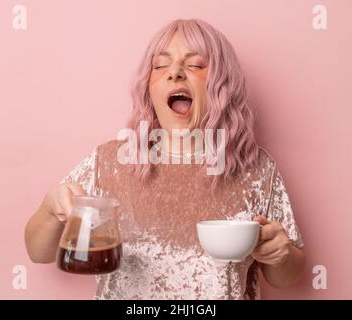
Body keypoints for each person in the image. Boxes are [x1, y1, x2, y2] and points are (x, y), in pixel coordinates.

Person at [25, 18, 306, 300]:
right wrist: (51, 209)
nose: (175, 73)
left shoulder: (256, 167)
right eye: (160, 65)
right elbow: (38, 252)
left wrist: (281, 257)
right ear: (148, 87)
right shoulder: (110, 161)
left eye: (195, 64)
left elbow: (286, 277)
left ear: (222, 84)